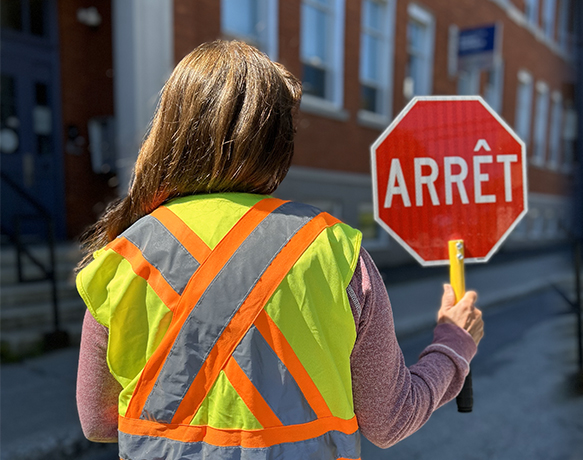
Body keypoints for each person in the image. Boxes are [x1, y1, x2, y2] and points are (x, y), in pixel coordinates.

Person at [74, 40, 484, 460]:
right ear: (277, 143)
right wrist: (454, 345)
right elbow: (389, 419)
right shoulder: (335, 250)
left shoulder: (122, 255)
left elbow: (98, 419)